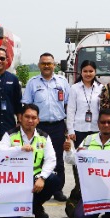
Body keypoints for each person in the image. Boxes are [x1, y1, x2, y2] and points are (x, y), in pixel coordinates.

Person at [63, 113, 110, 218]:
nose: (106, 125)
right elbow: (72, 160)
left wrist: (90, 156)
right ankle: (105, 206)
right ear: (98, 124)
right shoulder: (88, 139)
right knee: (80, 217)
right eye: (103, 122)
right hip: (95, 187)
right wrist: (68, 151)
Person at [0, 104, 61, 218]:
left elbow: (51, 159)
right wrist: (19, 149)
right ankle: (16, 205)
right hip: (14, 180)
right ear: (20, 118)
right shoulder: (10, 134)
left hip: (35, 177)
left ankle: (35, 206)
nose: (30, 120)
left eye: (34, 118)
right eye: (27, 117)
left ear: (38, 120)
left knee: (54, 180)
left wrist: (42, 178)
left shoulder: (44, 137)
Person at [23, 52, 71, 198]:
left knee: (57, 159)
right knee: (39, 158)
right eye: (43, 63)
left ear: (54, 65)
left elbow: (68, 105)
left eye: (49, 63)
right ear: (39, 65)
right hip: (39, 127)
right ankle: (38, 187)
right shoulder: (32, 83)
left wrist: (68, 128)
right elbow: (27, 105)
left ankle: (57, 189)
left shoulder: (62, 82)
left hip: (57, 126)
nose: (46, 66)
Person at [65, 60, 102, 145]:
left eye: (91, 71)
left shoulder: (101, 88)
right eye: (85, 71)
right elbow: (71, 110)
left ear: (95, 72)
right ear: (81, 72)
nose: (88, 74)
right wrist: (71, 130)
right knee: (80, 155)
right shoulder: (74, 88)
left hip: (96, 128)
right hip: (79, 129)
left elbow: (102, 109)